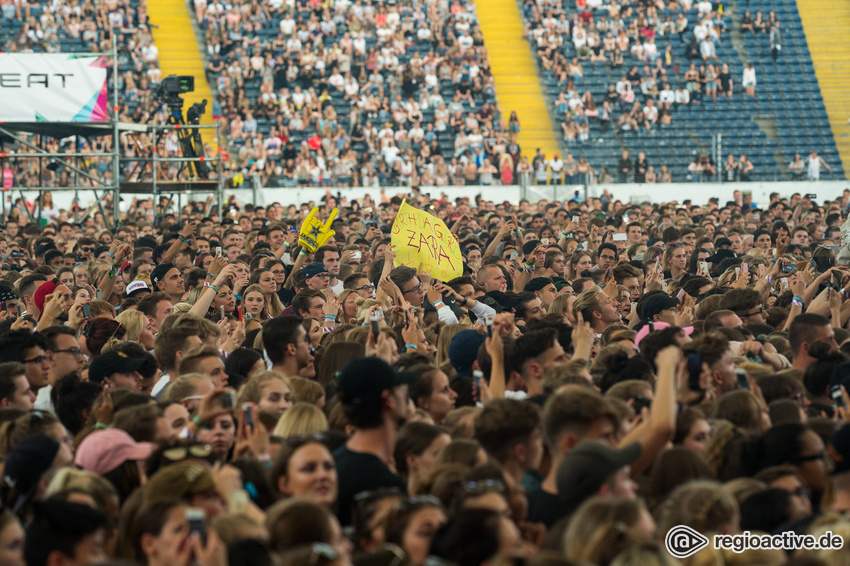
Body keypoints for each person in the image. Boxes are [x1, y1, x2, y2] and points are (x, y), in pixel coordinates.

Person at [333, 357, 412, 525]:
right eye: (399, 387)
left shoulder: (335, 460)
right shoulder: (383, 485)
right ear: (389, 400)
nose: (405, 392)